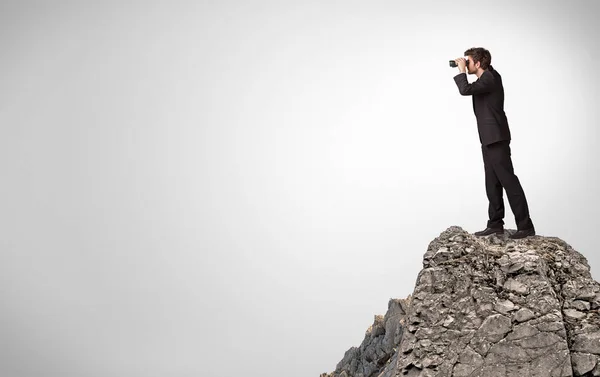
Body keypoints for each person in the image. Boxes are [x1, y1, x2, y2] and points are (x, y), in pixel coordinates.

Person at [452, 47, 535, 239]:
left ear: (478, 63)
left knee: (508, 181)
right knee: (492, 182)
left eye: (469, 61)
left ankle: (525, 226)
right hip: (489, 138)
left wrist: (462, 71)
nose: (466, 63)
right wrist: (466, 68)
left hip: (496, 138)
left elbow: (465, 90)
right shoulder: (486, 79)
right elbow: (472, 89)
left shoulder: (490, 78)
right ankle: (495, 223)